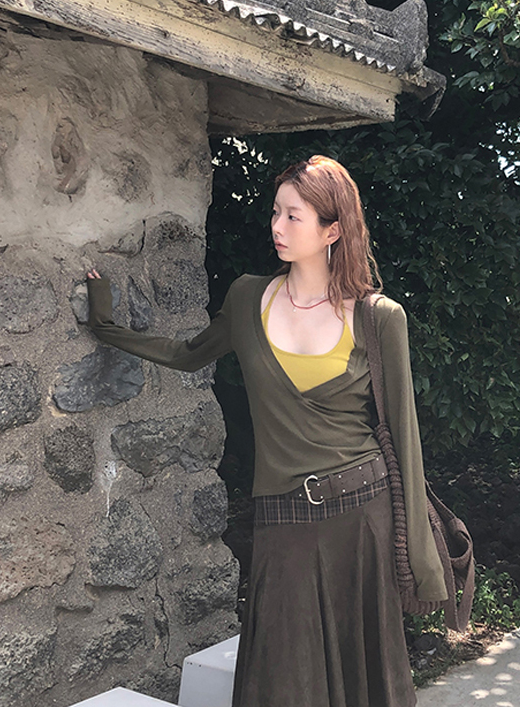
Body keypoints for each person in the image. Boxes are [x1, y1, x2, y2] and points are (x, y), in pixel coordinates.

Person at [86, 155, 447, 707]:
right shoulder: (248, 297)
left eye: (293, 216)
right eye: (275, 212)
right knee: (280, 678)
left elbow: (404, 437)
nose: (277, 226)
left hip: (361, 519)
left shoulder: (378, 318)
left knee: (364, 681)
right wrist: (105, 323)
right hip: (283, 517)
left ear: (332, 230)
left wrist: (422, 563)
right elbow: (186, 354)